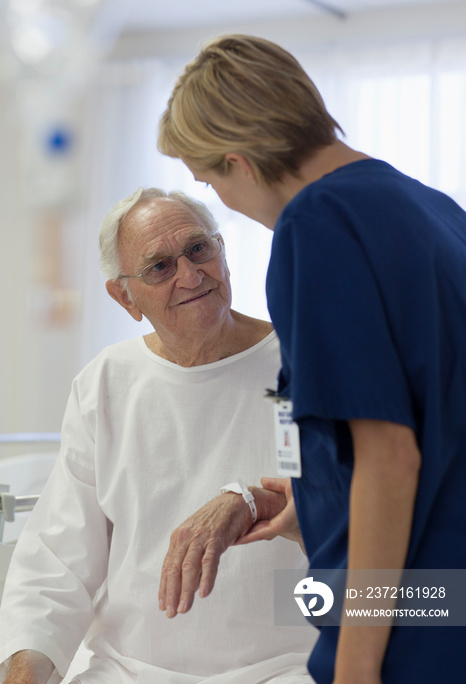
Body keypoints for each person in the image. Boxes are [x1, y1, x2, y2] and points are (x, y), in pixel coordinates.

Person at [157, 34, 466, 684]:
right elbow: (432, 408)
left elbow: (389, 454)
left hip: (409, 614)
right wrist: (316, 499)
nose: (224, 200)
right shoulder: (432, 209)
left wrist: (354, 668)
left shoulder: (316, 225)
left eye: (210, 180)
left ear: (239, 160)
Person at [0, 187, 316, 684]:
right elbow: (58, 562)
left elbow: (356, 531)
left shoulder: (302, 365)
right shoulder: (106, 381)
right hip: (128, 669)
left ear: (223, 253)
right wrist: (25, 673)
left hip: (286, 664)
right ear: (125, 296)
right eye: (159, 267)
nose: (190, 276)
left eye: (198, 250)